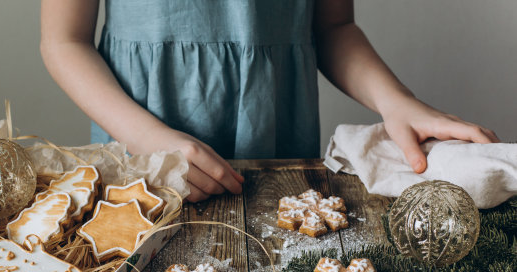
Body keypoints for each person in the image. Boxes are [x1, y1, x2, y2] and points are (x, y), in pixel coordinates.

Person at [40, 0, 498, 202]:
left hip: (276, 152)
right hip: (141, 161)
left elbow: (333, 28)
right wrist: (148, 139)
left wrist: (397, 101)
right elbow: (63, 40)